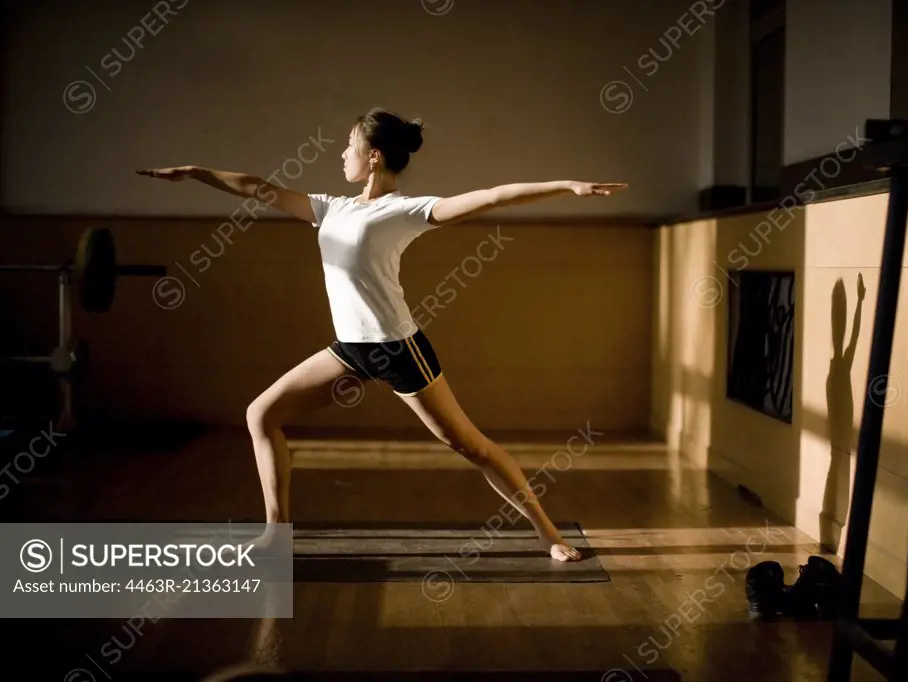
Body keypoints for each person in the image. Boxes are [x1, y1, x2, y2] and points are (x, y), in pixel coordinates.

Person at [136, 106, 627, 561]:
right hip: (350, 349)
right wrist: (198, 173)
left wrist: (567, 185)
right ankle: (275, 534)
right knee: (261, 414)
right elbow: (256, 187)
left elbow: (492, 196)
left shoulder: (404, 210)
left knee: (469, 446)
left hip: (398, 348)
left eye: (348, 145)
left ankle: (548, 533)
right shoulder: (329, 208)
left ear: (373, 156)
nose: (341, 154)